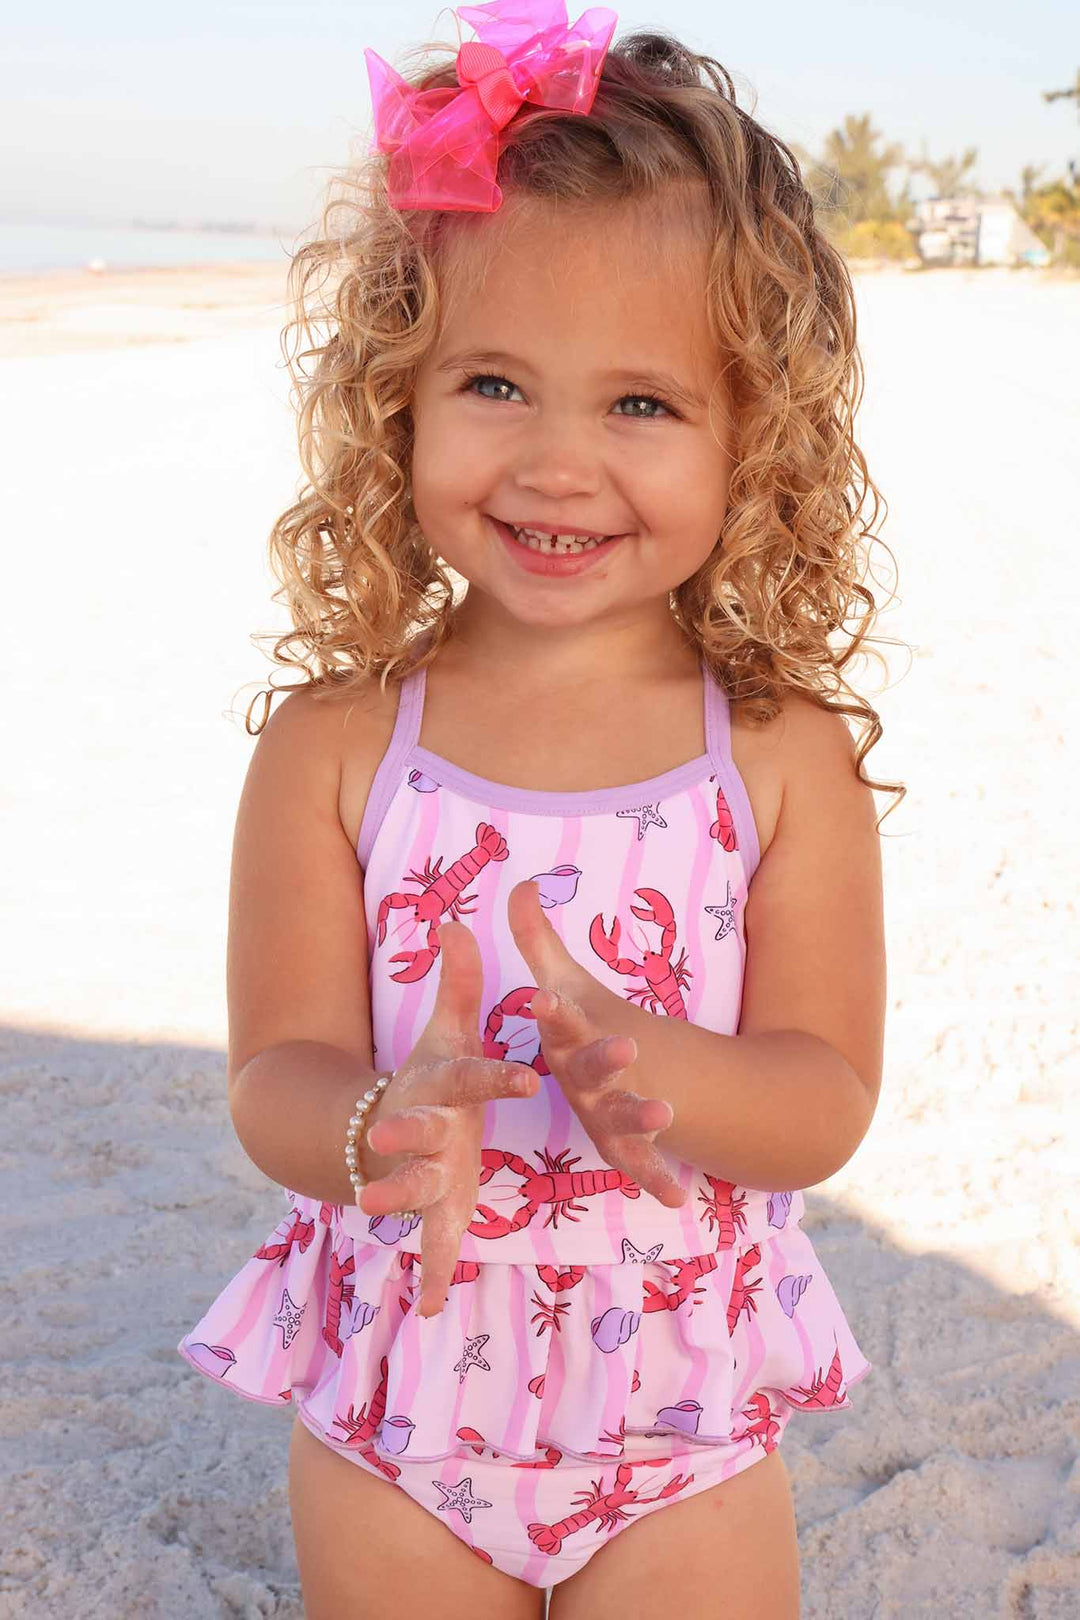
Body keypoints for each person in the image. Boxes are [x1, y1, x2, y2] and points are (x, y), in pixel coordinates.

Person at [178, 2, 901, 1614]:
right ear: (400, 399)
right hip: (396, 1417)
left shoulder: (779, 757)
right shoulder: (335, 746)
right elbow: (274, 1075)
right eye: (495, 382)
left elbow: (824, 1094)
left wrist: (657, 1067)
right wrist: (377, 1123)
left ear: (753, 434)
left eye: (641, 404)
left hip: (683, 1426)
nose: (558, 465)